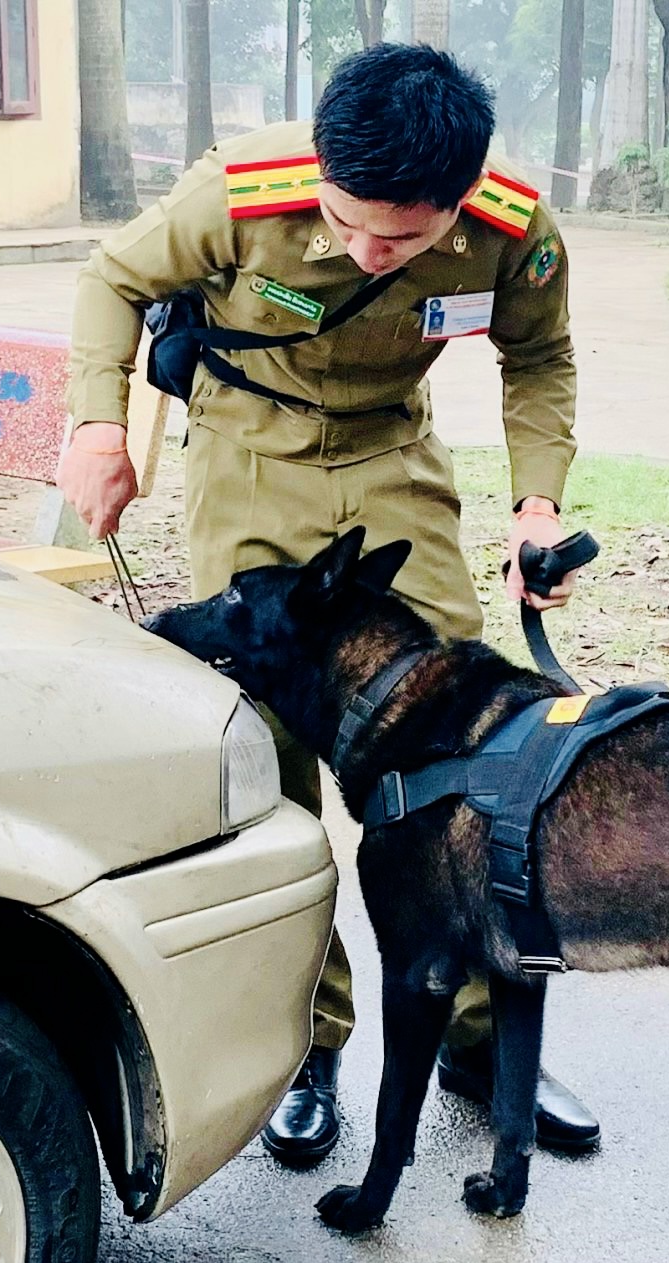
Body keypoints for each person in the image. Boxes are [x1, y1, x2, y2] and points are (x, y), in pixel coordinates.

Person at [59, 42, 600, 1166]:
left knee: (458, 744)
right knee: (272, 755)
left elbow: (537, 359)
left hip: (389, 454)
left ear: (456, 203)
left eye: (399, 240)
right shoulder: (238, 193)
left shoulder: (512, 228)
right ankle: (310, 1043)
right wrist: (97, 427)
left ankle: (477, 1028)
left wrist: (537, 508)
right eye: (346, 221)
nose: (366, 249)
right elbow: (111, 278)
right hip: (247, 450)